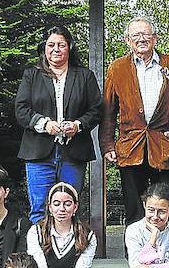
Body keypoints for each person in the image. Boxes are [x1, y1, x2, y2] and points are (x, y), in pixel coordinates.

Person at [101, 16, 169, 226]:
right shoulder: (117, 69)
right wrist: (107, 145)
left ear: (155, 38)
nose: (141, 39)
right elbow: (108, 111)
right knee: (134, 206)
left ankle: (166, 251)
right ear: (127, 40)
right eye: (136, 35)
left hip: (164, 147)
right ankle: (135, 254)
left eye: (146, 34)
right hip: (130, 147)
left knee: (166, 203)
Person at [15, 25, 103, 224]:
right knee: (39, 209)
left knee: (69, 209)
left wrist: (78, 125)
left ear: (69, 47)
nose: (56, 49)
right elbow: (21, 110)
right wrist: (44, 124)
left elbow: (96, 110)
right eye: (51, 45)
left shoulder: (84, 76)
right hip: (38, 153)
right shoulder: (32, 75)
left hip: (73, 153)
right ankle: (40, 255)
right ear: (44, 48)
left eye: (61, 45)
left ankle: (69, 254)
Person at [27, 181, 95, 268]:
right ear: (50, 208)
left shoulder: (88, 236)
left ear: (75, 207)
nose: (62, 209)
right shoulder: (36, 232)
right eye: (57, 204)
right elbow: (38, 265)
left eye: (67, 204)